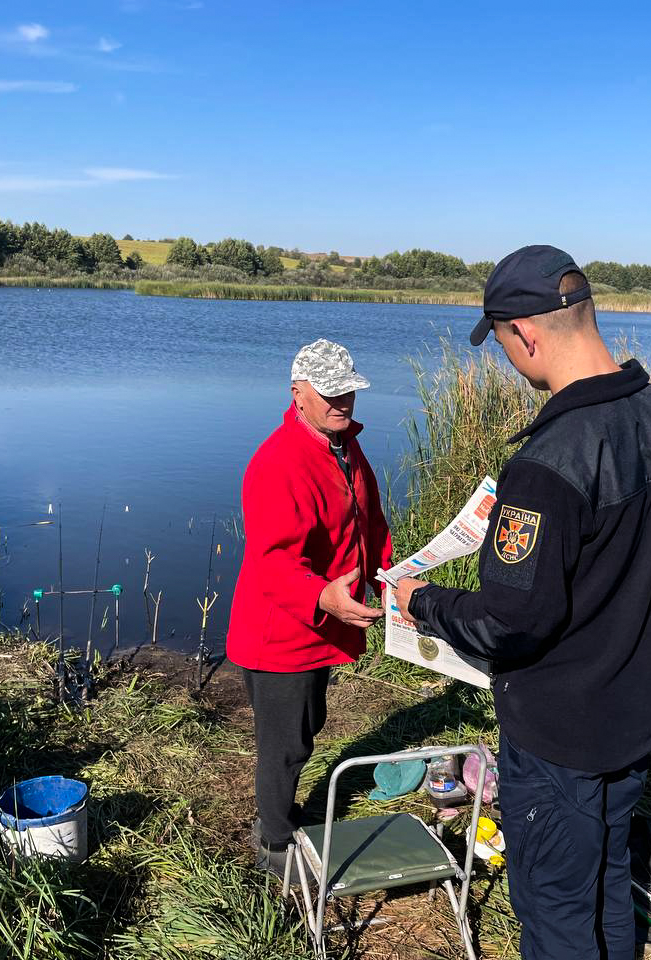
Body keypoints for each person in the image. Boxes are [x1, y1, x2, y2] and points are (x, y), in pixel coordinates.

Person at [394, 245, 651, 960]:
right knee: (605, 887)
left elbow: (511, 624)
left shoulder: (546, 463)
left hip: (561, 731)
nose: (507, 359)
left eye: (500, 343)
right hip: (633, 713)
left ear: (524, 333)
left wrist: (422, 602)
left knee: (556, 908)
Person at [228, 338, 393, 877]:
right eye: (329, 392)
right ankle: (273, 846)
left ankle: (281, 815)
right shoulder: (277, 462)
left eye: (348, 390)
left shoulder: (345, 446)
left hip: (322, 626)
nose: (342, 401)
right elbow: (272, 563)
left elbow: (368, 525)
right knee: (285, 746)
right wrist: (324, 596)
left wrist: (389, 579)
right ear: (297, 393)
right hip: (280, 632)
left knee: (308, 724)